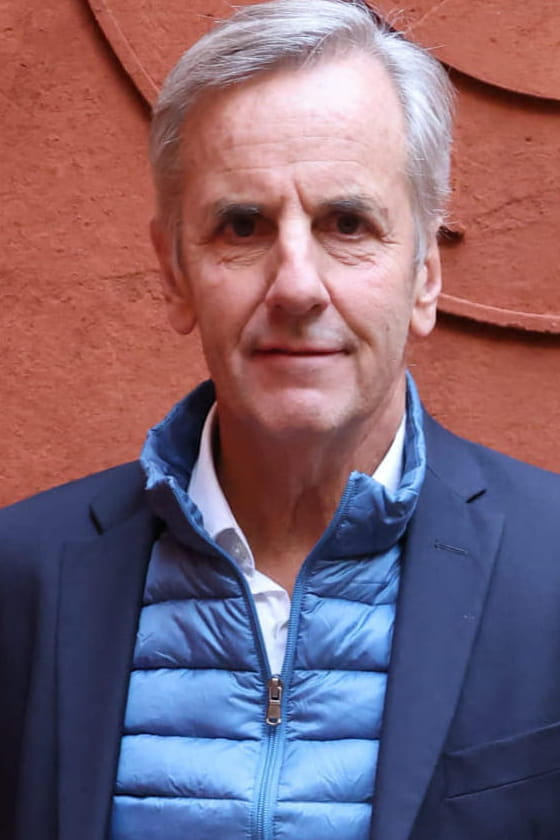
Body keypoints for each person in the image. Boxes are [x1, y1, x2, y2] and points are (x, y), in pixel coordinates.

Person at [2, 0, 560, 838]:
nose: (296, 286)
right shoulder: (21, 580)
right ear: (176, 274)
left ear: (424, 276)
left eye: (347, 223)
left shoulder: (552, 569)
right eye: (242, 226)